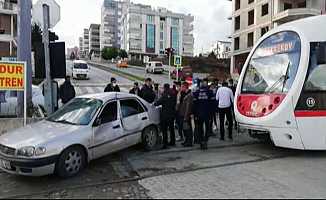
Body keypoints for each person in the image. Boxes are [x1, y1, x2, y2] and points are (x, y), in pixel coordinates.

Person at [193, 78, 215, 150]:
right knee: (207, 128)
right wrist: (212, 113)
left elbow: (194, 104)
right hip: (207, 114)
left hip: (199, 114)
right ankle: (205, 140)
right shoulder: (210, 92)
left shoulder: (196, 92)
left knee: (200, 128)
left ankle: (202, 140)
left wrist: (194, 114)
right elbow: (213, 104)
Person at [155, 84, 177, 149]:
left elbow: (157, 103)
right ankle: (173, 142)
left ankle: (165, 144)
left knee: (164, 130)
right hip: (172, 114)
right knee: (171, 129)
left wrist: (155, 103)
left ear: (164, 88)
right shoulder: (173, 94)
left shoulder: (164, 95)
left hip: (165, 115)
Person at [178, 82, 193, 147]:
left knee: (187, 129)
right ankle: (186, 140)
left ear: (184, 87)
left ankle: (189, 142)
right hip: (183, 114)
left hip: (185, 115)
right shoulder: (183, 94)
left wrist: (186, 116)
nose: (181, 88)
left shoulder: (189, 95)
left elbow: (188, 107)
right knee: (184, 129)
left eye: (182, 87)